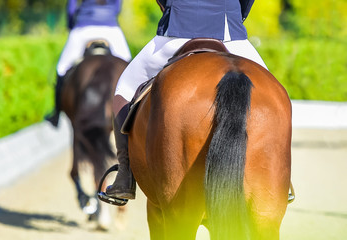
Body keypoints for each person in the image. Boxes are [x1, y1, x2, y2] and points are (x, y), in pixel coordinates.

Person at [102, 0, 267, 202]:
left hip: (176, 31)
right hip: (229, 31)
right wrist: (234, 15)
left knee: (124, 88)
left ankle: (125, 175)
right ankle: (274, 175)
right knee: (271, 94)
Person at [45, 0, 132, 127]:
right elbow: (117, 7)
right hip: (111, 28)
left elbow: (71, 8)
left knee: (62, 68)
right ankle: (133, 111)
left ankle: (56, 113)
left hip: (83, 27)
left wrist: (71, 25)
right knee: (129, 68)